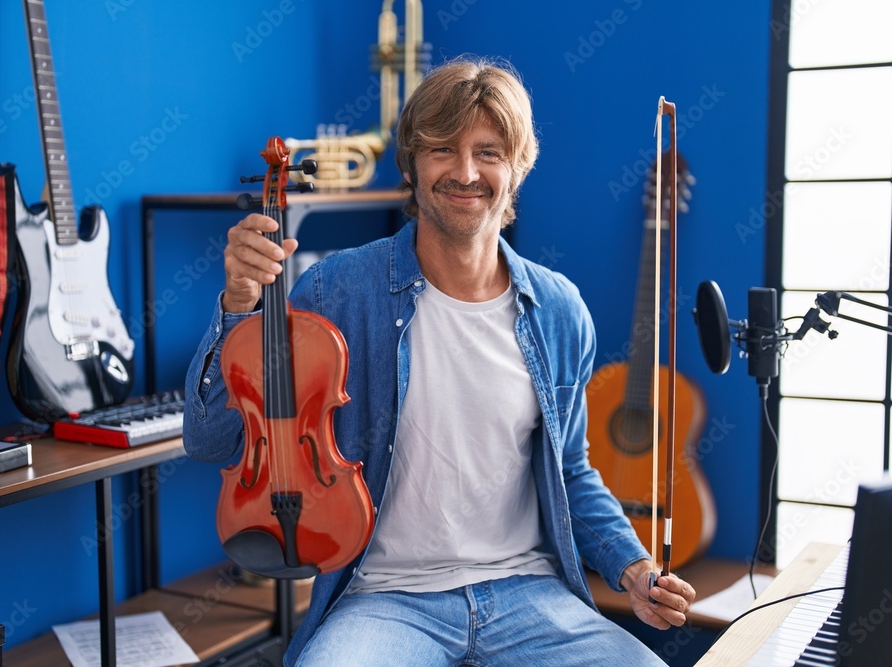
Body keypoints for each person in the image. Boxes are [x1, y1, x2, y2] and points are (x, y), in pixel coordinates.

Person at [183, 56, 696, 667]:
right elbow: (214, 440)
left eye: (489, 151)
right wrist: (239, 306)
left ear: (518, 166)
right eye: (442, 149)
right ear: (412, 163)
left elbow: (570, 470)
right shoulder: (334, 292)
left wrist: (632, 566)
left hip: (528, 593)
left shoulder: (559, 310)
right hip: (384, 599)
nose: (465, 171)